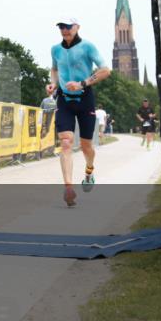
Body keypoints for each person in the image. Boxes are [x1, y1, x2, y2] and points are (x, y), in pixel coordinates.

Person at [50, 17, 111, 206]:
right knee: (66, 142)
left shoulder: (87, 47)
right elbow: (54, 69)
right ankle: (68, 188)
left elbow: (105, 70)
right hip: (64, 101)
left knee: (86, 147)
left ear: (77, 27)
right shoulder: (55, 49)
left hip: (85, 100)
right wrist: (53, 84)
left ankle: (89, 170)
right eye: (61, 26)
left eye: (68, 26)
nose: (65, 30)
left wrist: (82, 83)